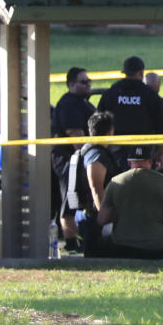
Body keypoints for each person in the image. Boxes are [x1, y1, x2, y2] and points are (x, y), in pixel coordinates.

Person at [96, 144, 163, 259]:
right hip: (156, 248)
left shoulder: (115, 182)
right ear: (150, 161)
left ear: (129, 162)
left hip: (121, 247)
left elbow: (102, 219)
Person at [51, 66, 96, 252]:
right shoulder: (69, 104)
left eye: (89, 81)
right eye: (83, 82)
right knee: (69, 201)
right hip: (68, 160)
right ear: (71, 84)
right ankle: (71, 243)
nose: (88, 84)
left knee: (80, 200)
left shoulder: (83, 103)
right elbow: (75, 136)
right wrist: (90, 156)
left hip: (79, 160)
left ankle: (81, 238)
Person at [97, 56, 163, 172]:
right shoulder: (150, 94)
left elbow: (99, 121)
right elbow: (161, 126)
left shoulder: (112, 91)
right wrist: (160, 153)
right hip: (143, 151)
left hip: (115, 149)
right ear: (141, 72)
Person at [71, 110, 122, 255]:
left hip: (92, 215)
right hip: (94, 218)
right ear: (111, 132)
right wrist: (104, 216)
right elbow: (96, 188)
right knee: (97, 257)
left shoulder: (91, 150)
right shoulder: (96, 155)